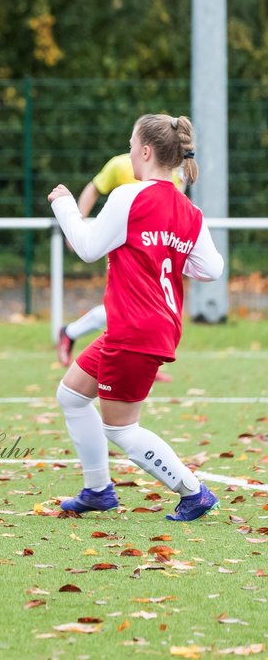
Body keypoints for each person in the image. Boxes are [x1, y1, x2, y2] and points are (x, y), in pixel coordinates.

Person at [50, 114, 223, 521]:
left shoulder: (129, 196)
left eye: (131, 145)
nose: (129, 152)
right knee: (72, 395)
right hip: (151, 326)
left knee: (121, 428)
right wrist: (169, 252)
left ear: (145, 151)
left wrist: (64, 206)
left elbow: (88, 247)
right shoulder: (188, 210)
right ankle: (97, 490)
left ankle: (193, 492)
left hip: (134, 329)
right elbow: (211, 268)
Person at [57, 153, 185, 368]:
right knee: (128, 306)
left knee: (142, 307)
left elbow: (171, 210)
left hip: (153, 251)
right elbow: (93, 188)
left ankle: (139, 358)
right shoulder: (121, 165)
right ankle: (77, 335)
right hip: (126, 250)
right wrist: (77, 224)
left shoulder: (174, 171)